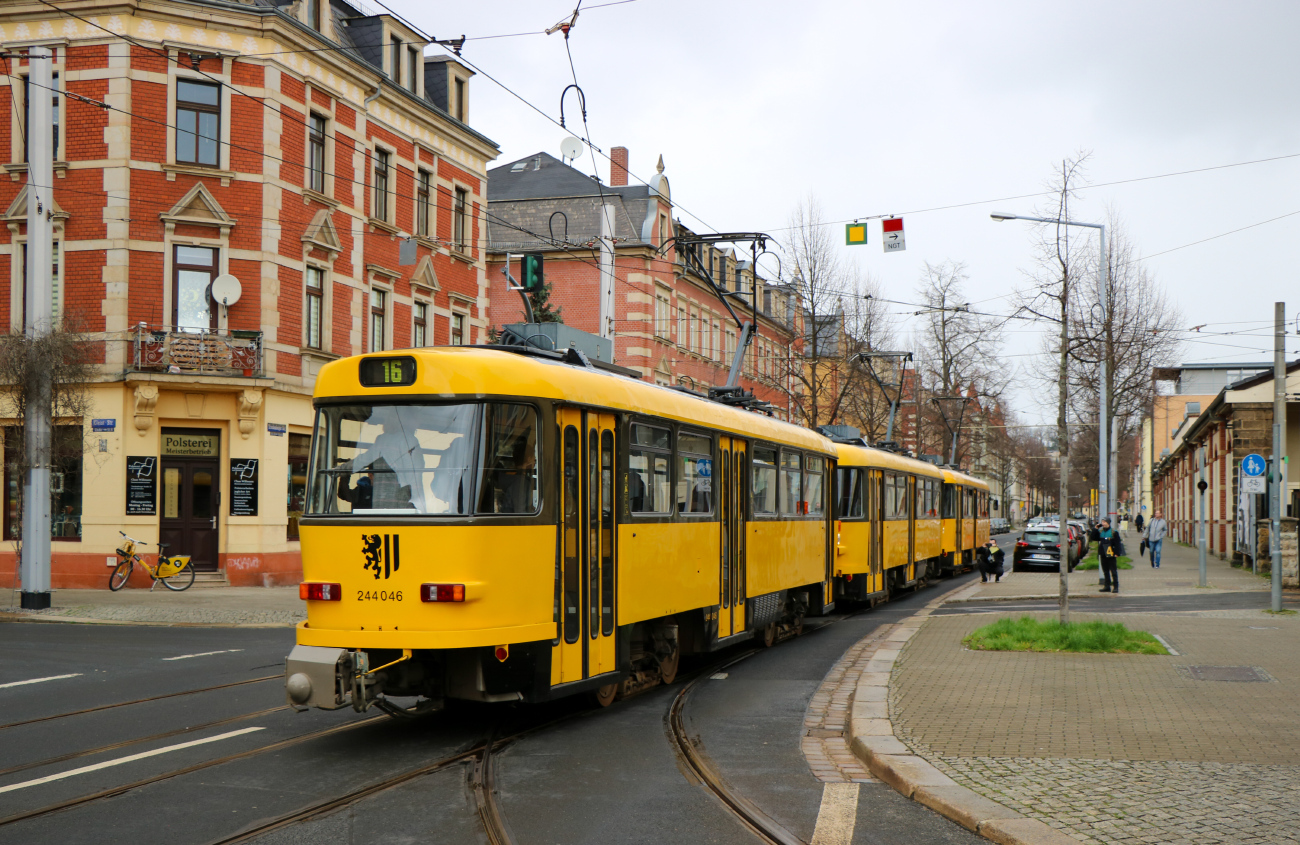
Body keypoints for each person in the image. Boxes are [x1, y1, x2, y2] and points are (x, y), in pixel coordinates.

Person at [1096, 517, 1124, 594]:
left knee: (1113, 571)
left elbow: (1117, 543)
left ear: (1108, 523)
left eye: (1104, 522)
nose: (1103, 523)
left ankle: (1115, 586)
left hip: (1111, 553)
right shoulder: (1100, 531)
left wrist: (1117, 553)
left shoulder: (1113, 532)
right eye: (1102, 522)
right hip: (1103, 553)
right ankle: (1107, 586)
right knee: (1105, 571)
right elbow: (1094, 537)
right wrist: (1095, 529)